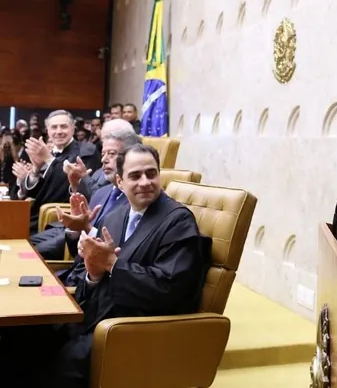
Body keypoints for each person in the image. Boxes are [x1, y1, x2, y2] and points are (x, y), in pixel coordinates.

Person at [0, 144, 211, 388]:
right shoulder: (116, 215)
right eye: (135, 176)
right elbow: (85, 270)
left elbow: (170, 289)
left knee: (54, 365)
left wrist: (111, 264)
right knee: (18, 337)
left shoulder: (177, 221)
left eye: (151, 173)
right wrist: (93, 273)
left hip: (128, 328)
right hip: (91, 311)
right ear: (120, 182)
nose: (145, 182)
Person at [28, 129, 140, 260]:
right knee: (24, 246)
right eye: (103, 153)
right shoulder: (106, 189)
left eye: (112, 153)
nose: (104, 159)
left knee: (29, 254)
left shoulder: (136, 199)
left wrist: (83, 227)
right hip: (80, 248)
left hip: (100, 260)